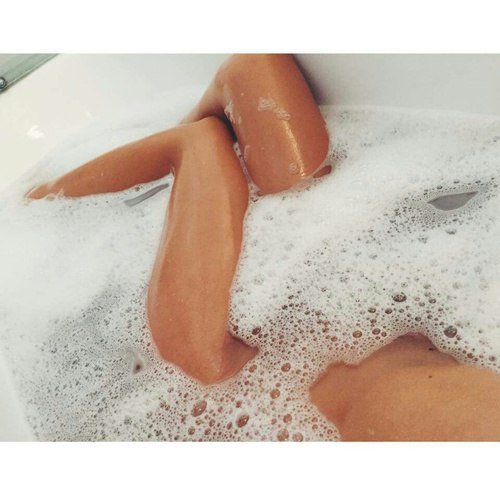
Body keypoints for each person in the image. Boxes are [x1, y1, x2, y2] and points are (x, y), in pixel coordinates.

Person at [27, 54, 500, 440]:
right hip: (339, 289)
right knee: (255, 71)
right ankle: (52, 198)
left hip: (250, 364)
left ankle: (44, 201)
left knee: (209, 135)